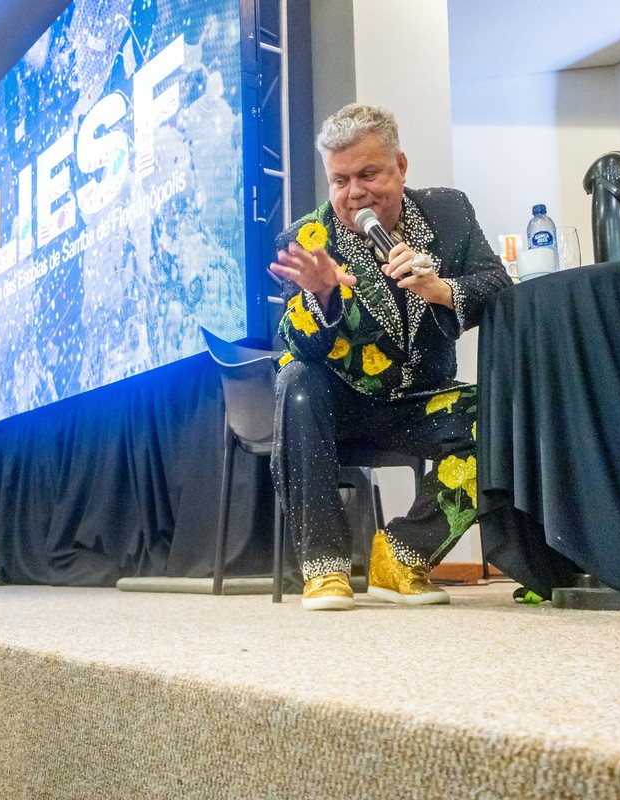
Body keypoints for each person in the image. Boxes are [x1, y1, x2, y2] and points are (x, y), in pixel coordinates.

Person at [269, 104, 511, 610]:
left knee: (500, 415)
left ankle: (402, 554)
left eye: (368, 174)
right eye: (340, 181)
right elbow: (296, 347)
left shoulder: (449, 212)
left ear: (400, 166)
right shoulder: (307, 239)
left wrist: (441, 289)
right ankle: (325, 567)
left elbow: (498, 286)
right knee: (295, 380)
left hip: (420, 397)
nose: (354, 193)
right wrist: (322, 297)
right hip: (338, 402)